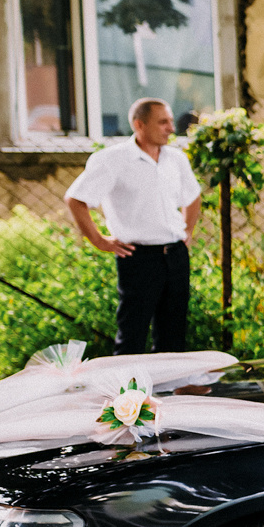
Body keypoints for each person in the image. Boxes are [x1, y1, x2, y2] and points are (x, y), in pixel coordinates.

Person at [64, 97, 202, 355]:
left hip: (176, 256)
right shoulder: (112, 160)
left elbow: (193, 197)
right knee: (132, 336)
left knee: (174, 335)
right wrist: (99, 240)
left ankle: (167, 393)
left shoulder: (176, 159)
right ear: (139, 125)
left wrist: (187, 230)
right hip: (138, 259)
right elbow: (76, 199)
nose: (171, 128)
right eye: (163, 122)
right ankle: (129, 395)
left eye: (171, 121)